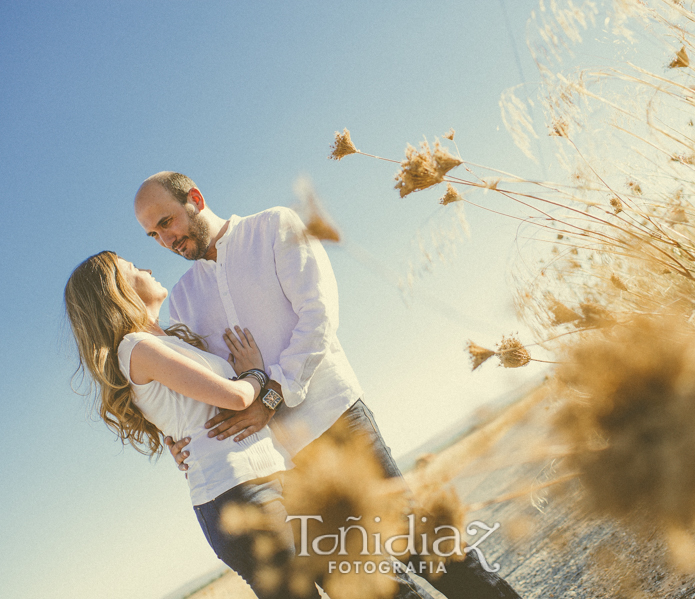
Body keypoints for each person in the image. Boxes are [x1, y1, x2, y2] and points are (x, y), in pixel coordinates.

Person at [136, 172, 522, 599]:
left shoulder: (273, 227)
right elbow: (197, 379)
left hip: (335, 422)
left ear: (194, 198)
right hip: (274, 467)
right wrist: (179, 437)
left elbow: (318, 315)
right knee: (365, 586)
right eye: (154, 235)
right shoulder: (184, 298)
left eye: (167, 222)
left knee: (425, 549)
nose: (166, 239)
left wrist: (271, 394)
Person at [64, 251, 322, 599]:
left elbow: (184, 417)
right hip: (239, 493)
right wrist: (256, 372)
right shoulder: (136, 347)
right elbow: (235, 398)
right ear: (117, 289)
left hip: (263, 476)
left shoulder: (159, 343)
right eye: (133, 267)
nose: (147, 266)